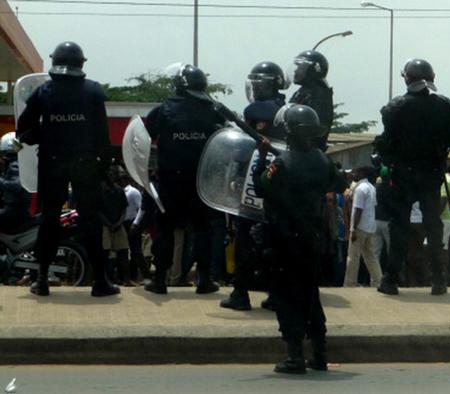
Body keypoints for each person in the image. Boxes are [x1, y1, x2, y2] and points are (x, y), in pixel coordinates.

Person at [16, 41, 119, 297]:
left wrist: (46, 133)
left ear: (54, 62)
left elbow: (23, 130)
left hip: (52, 162)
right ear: (81, 63)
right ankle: (100, 281)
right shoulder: (93, 91)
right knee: (90, 221)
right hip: (85, 164)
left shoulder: (44, 91)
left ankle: (41, 280)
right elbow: (102, 136)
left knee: (49, 219)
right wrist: (103, 167)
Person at [252, 104, 346, 374]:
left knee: (286, 297)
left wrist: (261, 156)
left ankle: (295, 356)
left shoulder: (281, 163)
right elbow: (339, 184)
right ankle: (319, 354)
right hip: (313, 239)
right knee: (310, 296)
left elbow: (261, 187)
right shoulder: (322, 161)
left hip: (284, 240)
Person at [374, 58, 450, 296]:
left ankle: (391, 280)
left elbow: (385, 145)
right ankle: (438, 280)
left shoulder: (394, 108)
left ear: (407, 78)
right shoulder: (444, 106)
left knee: (399, 229)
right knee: (434, 228)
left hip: (403, 176)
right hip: (431, 175)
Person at [144, 64, 223, 295]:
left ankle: (159, 280)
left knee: (165, 230)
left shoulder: (163, 109)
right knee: (202, 230)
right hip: (200, 181)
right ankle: (204, 280)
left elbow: (144, 139)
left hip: (170, 182)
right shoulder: (212, 110)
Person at [220, 61, 288, 311]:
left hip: (254, 178)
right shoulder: (287, 108)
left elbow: (244, 149)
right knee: (274, 242)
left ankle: (240, 293)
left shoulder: (258, 110)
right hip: (278, 185)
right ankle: (275, 294)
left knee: (245, 240)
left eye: (261, 84)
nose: (256, 89)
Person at [343, 166, 382, 288]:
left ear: (361, 173)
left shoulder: (360, 189)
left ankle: (350, 283)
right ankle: (378, 281)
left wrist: (353, 229)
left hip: (359, 227)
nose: (353, 174)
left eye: (355, 172)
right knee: (370, 256)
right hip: (370, 227)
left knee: (353, 256)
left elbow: (358, 210)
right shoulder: (371, 187)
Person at [289, 50, 333, 151]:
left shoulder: (319, 95)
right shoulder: (303, 91)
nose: (296, 70)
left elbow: (314, 129)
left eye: (301, 67)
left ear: (313, 70)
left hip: (307, 150)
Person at [99, 165, 135, 286]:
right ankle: (105, 279)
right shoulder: (100, 190)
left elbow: (124, 209)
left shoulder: (119, 190)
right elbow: (97, 210)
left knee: (124, 251)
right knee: (105, 253)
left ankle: (126, 279)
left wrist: (119, 222)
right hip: (105, 225)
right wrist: (109, 224)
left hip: (117, 224)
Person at [0, 132, 32, 233]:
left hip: (14, 210)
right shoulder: (21, 162)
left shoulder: (15, 164)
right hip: (20, 208)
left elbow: (17, 185)